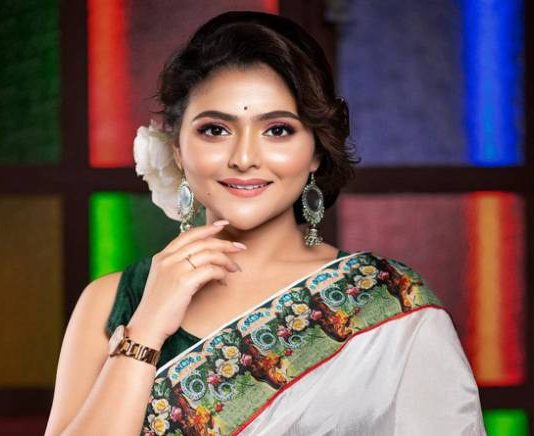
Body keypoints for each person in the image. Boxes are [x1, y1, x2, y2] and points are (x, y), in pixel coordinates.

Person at [45, 10, 486, 436]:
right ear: (177, 148)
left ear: (316, 150)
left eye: (277, 130)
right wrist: (146, 329)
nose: (244, 158)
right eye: (215, 130)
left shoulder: (387, 301)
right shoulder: (112, 302)